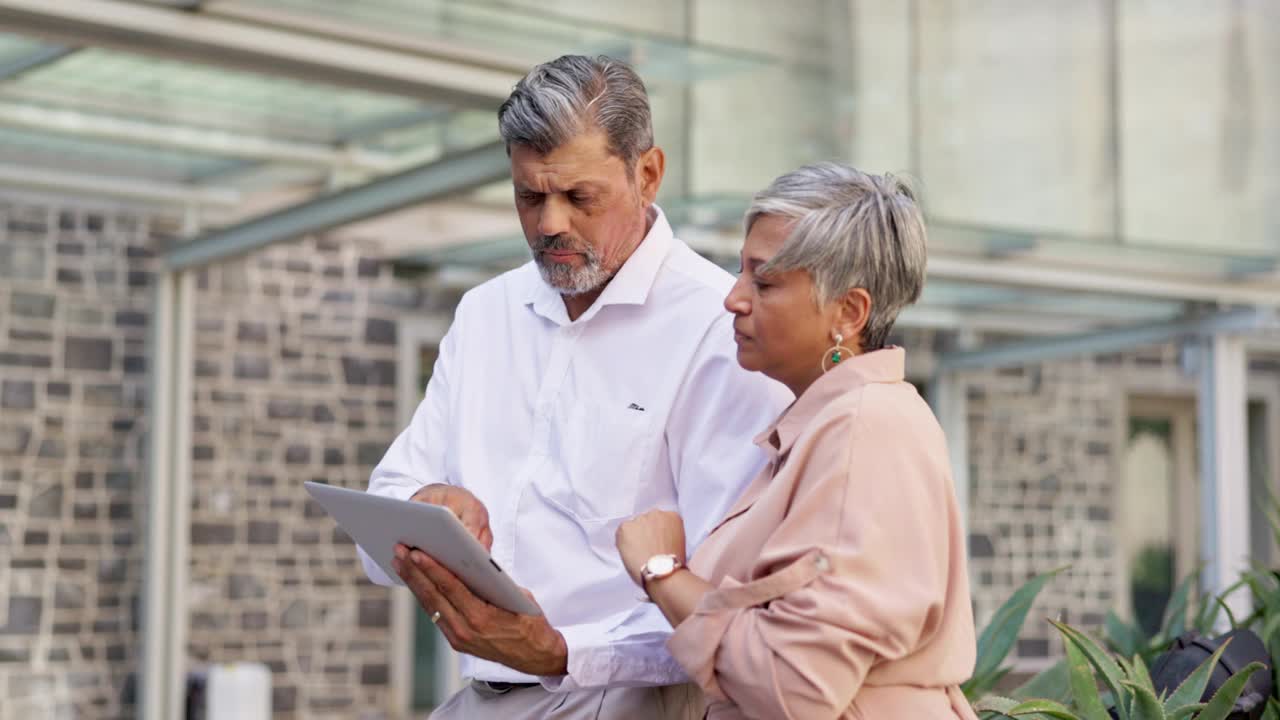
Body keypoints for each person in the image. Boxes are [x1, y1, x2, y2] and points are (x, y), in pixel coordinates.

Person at [358, 54, 791, 718]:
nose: (550, 222)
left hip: (628, 703)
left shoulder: (721, 327)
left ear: (648, 174)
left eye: (579, 196)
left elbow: (727, 599)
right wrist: (426, 506)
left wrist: (564, 652)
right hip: (478, 696)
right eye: (529, 196)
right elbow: (379, 516)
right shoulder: (484, 312)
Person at [616, 162, 979, 719]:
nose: (733, 299)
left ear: (849, 312)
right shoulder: (832, 423)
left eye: (764, 282)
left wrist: (662, 572)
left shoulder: (863, 428)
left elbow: (796, 685)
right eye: (740, 273)